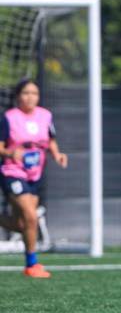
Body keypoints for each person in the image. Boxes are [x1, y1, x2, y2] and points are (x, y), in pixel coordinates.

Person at [0, 78, 68, 278]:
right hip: (12, 172)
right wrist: (11, 153)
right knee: (31, 217)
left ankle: (31, 263)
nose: (30, 97)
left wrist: (57, 155)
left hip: (35, 174)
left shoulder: (45, 116)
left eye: (34, 93)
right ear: (18, 96)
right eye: (26, 93)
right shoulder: (9, 117)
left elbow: (51, 140)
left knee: (22, 224)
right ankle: (32, 264)